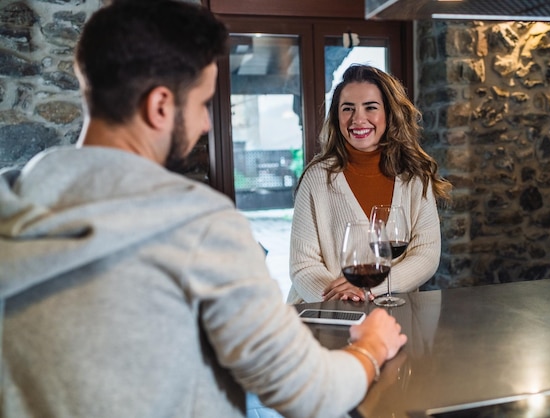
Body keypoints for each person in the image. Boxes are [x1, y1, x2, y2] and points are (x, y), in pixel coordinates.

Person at [0, 2, 407, 417]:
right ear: (160, 105)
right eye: (202, 104)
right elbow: (308, 391)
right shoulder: (199, 226)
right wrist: (371, 345)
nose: (207, 124)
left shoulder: (10, 206)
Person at [288, 64, 451, 304]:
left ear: (389, 113)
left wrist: (375, 286)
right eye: (348, 109)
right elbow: (303, 265)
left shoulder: (414, 177)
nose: (358, 119)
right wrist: (343, 296)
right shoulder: (316, 177)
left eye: (370, 107)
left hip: (396, 314)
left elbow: (426, 254)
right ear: (337, 116)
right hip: (326, 315)